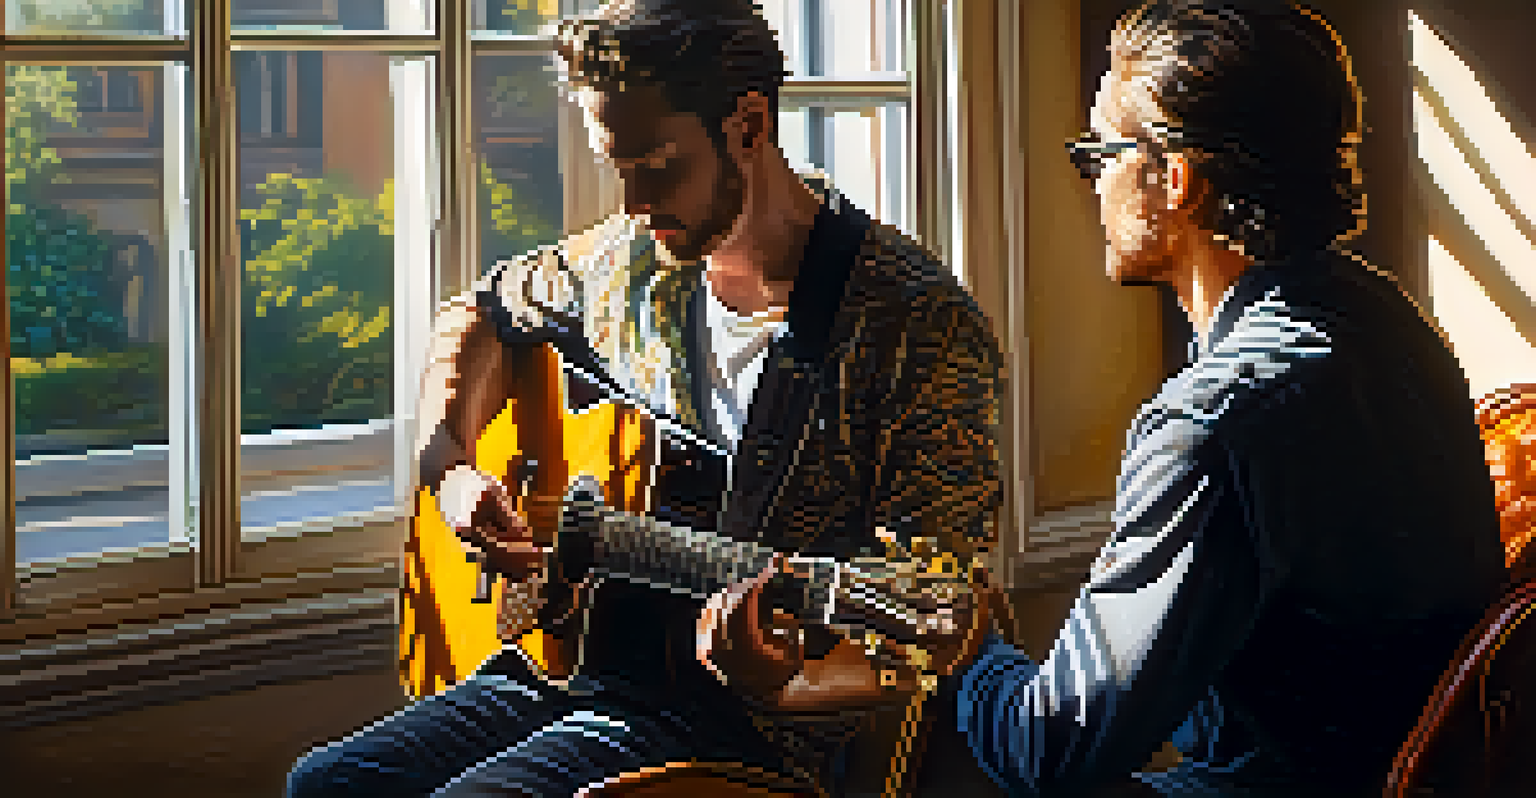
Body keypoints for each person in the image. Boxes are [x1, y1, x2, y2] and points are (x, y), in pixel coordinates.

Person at [285, 1, 1004, 796]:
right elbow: (481, 312)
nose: (630, 202)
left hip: (749, 725)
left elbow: (943, 621)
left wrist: (792, 678)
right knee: (328, 783)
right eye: (614, 165)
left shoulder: (920, 325)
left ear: (748, 124)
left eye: (657, 168)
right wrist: (449, 466)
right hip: (572, 666)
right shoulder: (628, 266)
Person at [952, 2, 1505, 796]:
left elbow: (1053, 753)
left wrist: (972, 650)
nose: (1093, 183)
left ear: (1174, 180)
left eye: (1099, 153)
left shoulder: (1209, 425)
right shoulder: (1388, 320)